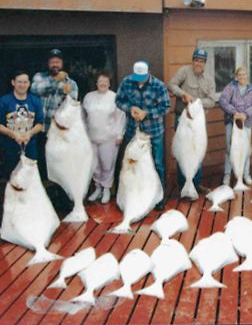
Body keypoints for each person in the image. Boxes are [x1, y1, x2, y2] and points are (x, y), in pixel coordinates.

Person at [115, 60, 171, 210]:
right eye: (137, 78)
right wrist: (130, 108)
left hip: (154, 132)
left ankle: (159, 197)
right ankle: (135, 195)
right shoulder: (127, 82)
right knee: (132, 163)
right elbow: (118, 100)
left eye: (142, 78)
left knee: (157, 164)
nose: (139, 81)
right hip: (133, 130)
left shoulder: (159, 86)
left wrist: (147, 113)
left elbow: (166, 106)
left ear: (148, 73)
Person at [167, 48, 216, 195]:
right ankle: (183, 184)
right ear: (193, 60)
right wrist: (183, 94)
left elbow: (212, 101)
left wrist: (197, 102)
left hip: (198, 121)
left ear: (205, 63)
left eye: (201, 61)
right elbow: (171, 85)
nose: (198, 63)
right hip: (183, 120)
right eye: (196, 60)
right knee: (183, 151)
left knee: (197, 152)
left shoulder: (208, 79)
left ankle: (195, 183)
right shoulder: (184, 71)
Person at [30, 48, 79, 179]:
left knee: (59, 164)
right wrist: (56, 80)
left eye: (57, 61)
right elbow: (35, 90)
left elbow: (72, 109)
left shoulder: (71, 83)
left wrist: (67, 94)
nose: (55, 64)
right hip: (41, 129)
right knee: (40, 163)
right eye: (52, 62)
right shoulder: (39, 77)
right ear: (48, 63)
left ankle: (59, 194)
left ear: (62, 64)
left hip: (59, 132)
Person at [83, 71, 126, 204]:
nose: (103, 83)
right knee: (94, 165)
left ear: (109, 83)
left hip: (109, 138)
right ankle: (97, 189)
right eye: (100, 81)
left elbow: (121, 117)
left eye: (105, 81)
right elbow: (84, 117)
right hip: (91, 137)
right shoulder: (88, 97)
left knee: (107, 164)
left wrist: (120, 134)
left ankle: (107, 189)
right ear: (96, 83)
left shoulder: (115, 97)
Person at [219, 66, 252, 186]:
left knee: (246, 150)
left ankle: (245, 174)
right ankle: (227, 174)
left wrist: (245, 114)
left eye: (244, 74)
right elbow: (223, 100)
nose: (242, 77)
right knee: (229, 148)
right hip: (232, 122)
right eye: (240, 75)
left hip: (246, 123)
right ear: (236, 77)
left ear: (247, 76)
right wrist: (234, 112)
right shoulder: (231, 87)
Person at [0, 70, 44, 178]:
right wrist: (14, 134)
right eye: (19, 82)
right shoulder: (4, 101)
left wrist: (29, 133)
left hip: (30, 148)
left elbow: (40, 124)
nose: (22, 85)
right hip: (9, 148)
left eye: (25, 82)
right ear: (13, 82)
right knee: (11, 179)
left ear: (29, 84)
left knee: (30, 179)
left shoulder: (36, 101)